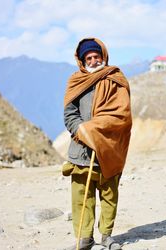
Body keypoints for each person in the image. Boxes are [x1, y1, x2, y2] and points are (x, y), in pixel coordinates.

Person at [63, 38, 132, 250]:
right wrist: (84, 131)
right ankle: (84, 237)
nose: (93, 61)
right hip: (81, 150)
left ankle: (106, 236)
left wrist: (100, 128)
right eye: (89, 58)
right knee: (81, 196)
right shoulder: (76, 81)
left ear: (103, 57)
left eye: (96, 56)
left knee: (109, 195)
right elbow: (69, 114)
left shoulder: (116, 80)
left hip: (109, 149)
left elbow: (123, 114)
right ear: (82, 61)